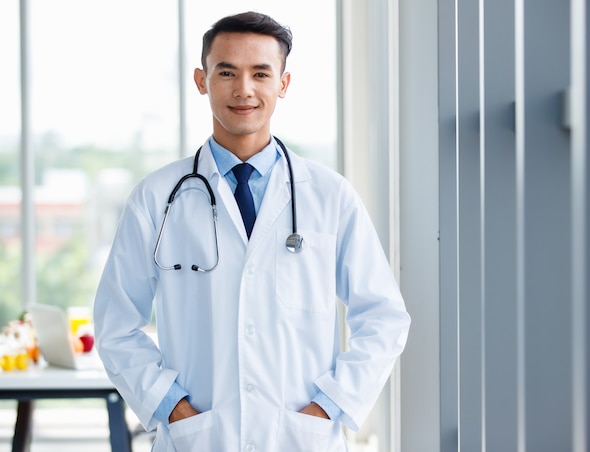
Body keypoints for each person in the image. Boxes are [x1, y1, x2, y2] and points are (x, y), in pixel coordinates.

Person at [94, 11, 410, 452]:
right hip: (200, 438)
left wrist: (329, 406)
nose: (244, 89)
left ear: (283, 84)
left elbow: (383, 316)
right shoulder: (157, 198)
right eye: (227, 72)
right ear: (202, 80)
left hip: (301, 439)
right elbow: (116, 324)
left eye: (260, 73)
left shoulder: (329, 196)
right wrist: (173, 407)